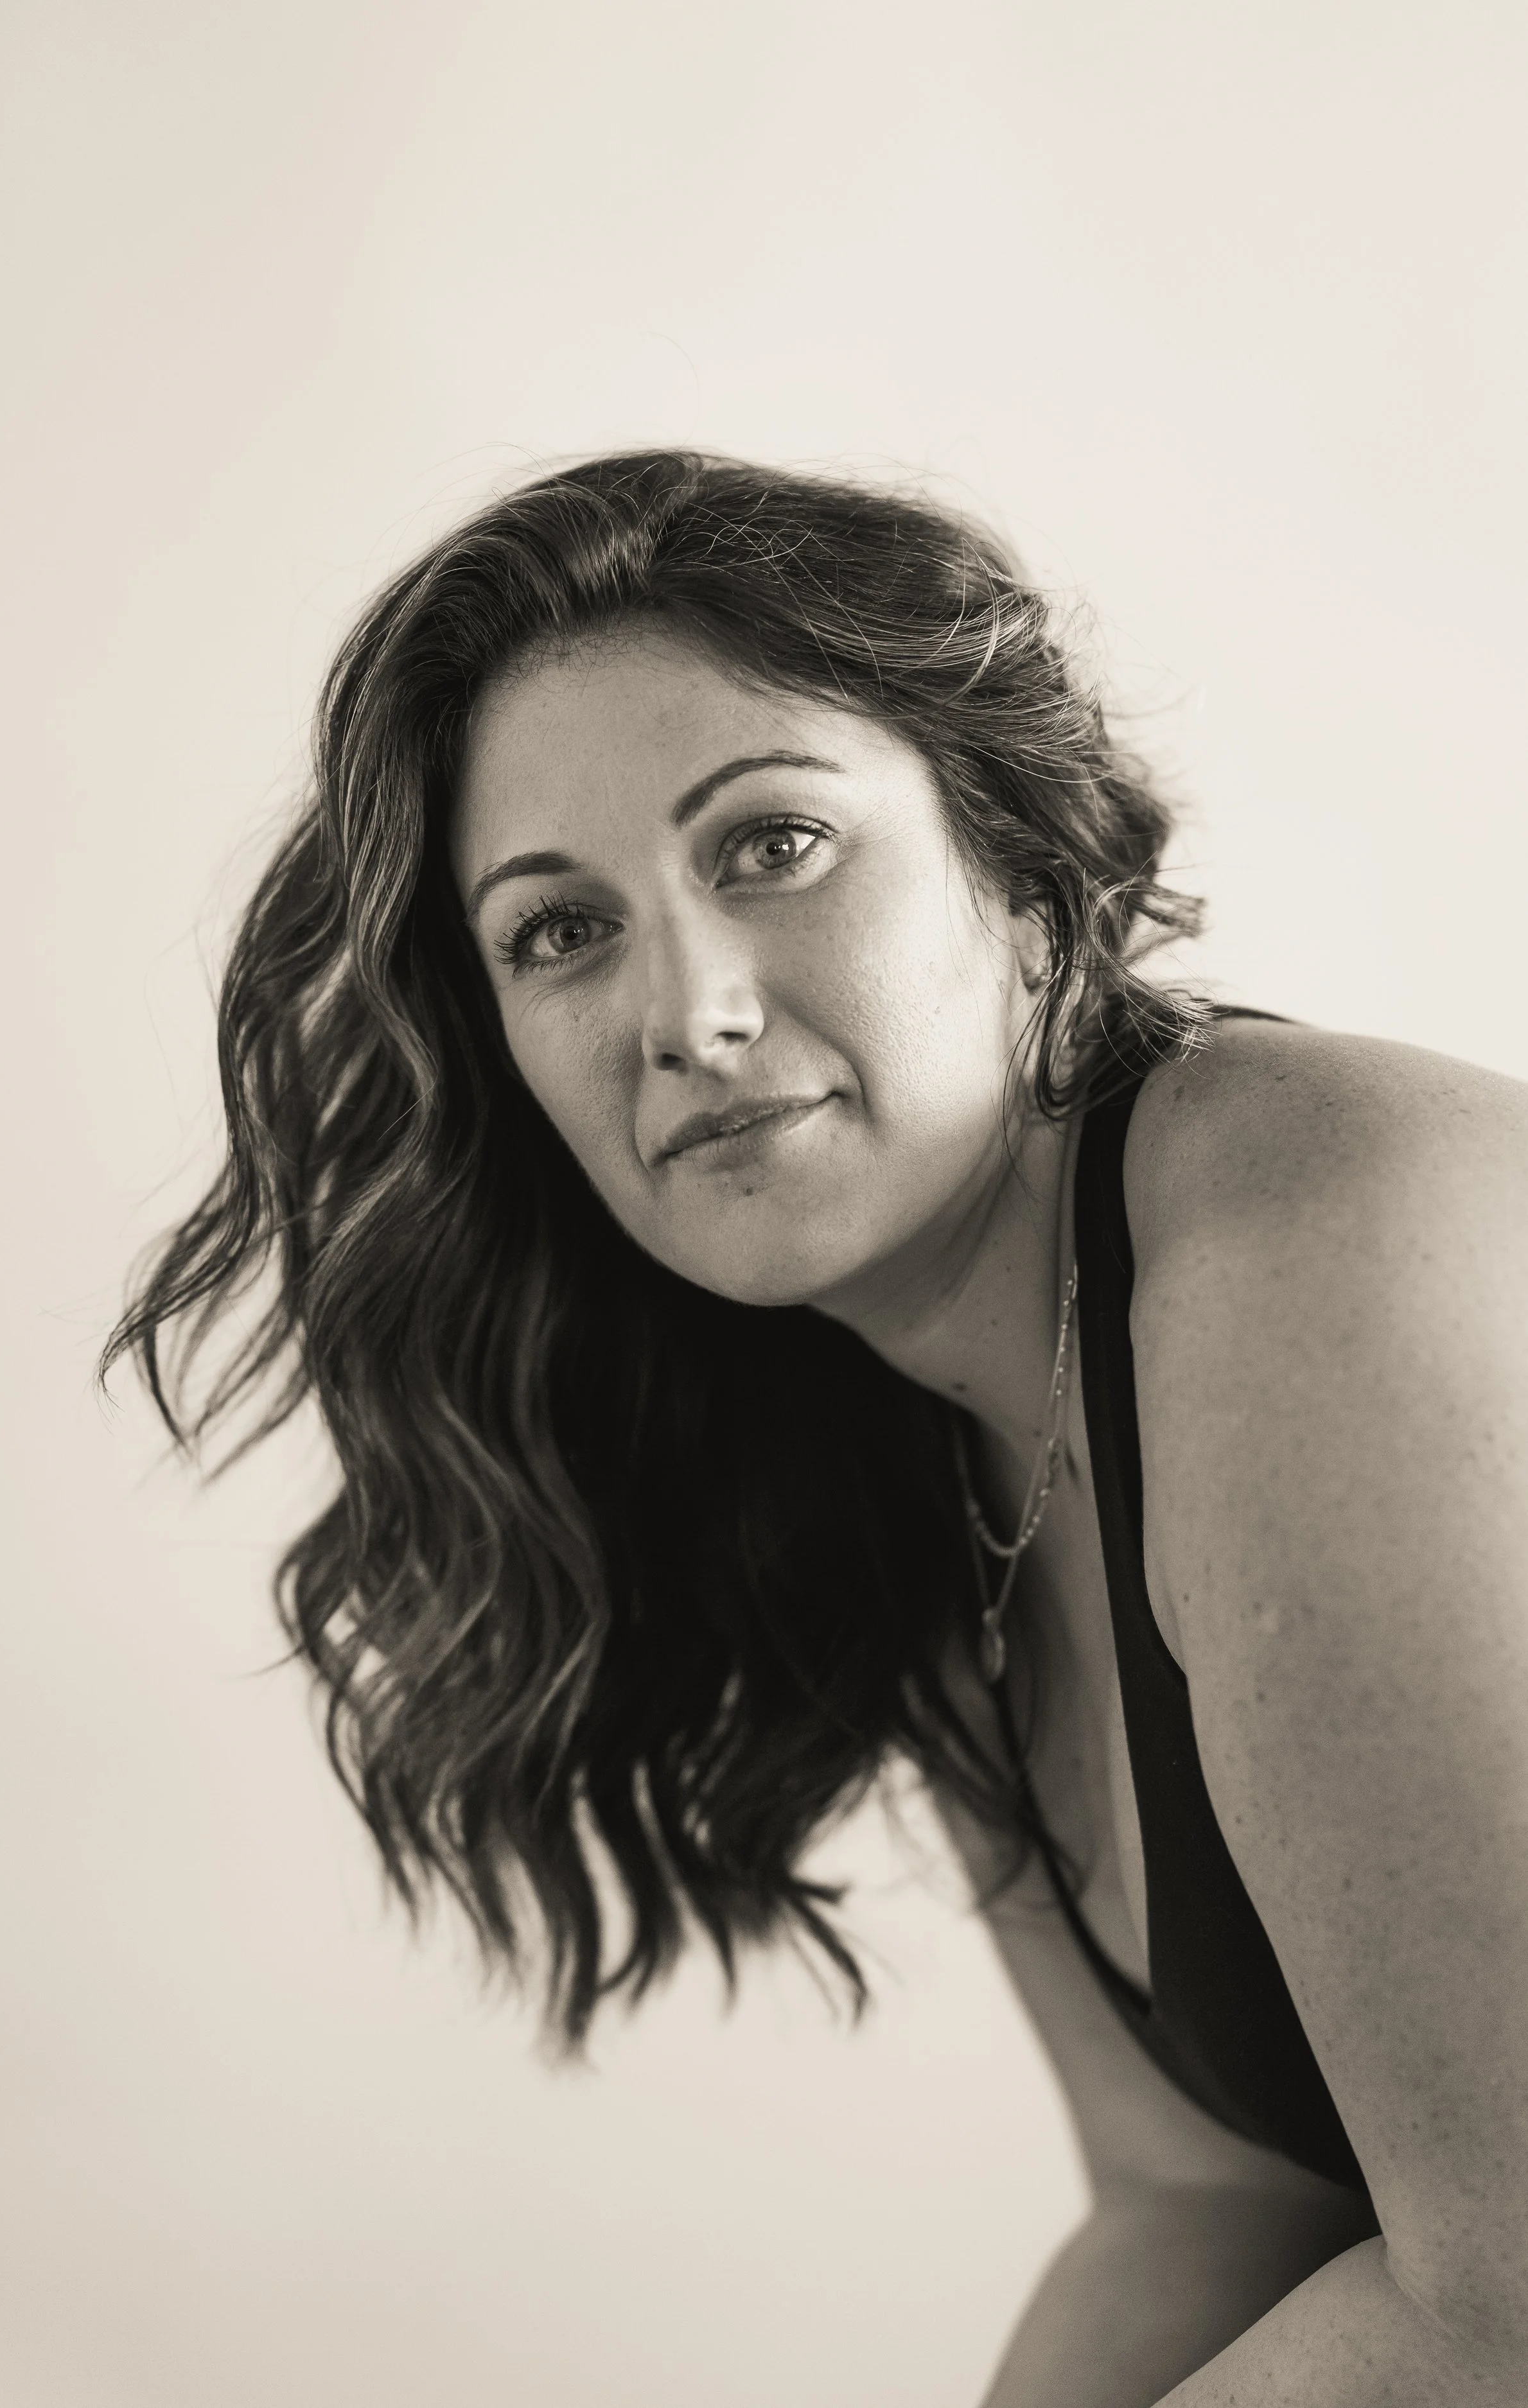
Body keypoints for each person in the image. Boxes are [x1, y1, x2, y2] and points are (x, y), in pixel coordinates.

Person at [105, 450, 1528, 2406]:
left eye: (770, 843)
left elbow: (1510, 2299)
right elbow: (1200, 2198)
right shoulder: (922, 1429)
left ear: (1018, 863)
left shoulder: (1320, 1235)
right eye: (559, 931)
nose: (685, 1013)